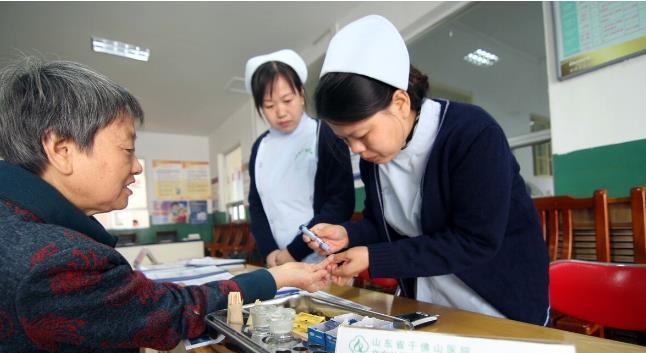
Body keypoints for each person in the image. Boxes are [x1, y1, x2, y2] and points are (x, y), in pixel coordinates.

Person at [0, 58, 330, 352]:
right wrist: (276, 273)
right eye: (127, 149)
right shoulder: (56, 262)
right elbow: (167, 312)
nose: (137, 166)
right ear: (62, 150)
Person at [303, 15, 549, 325]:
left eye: (362, 135)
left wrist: (374, 258)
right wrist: (347, 234)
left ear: (401, 103)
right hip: (427, 304)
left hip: (498, 304)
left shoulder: (472, 134)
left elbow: (476, 240)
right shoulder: (375, 157)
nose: (356, 149)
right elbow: (385, 225)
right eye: (345, 140)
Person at [245, 49, 354, 267]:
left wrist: (293, 252)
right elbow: (256, 205)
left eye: (287, 99)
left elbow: (340, 202)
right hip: (277, 262)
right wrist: (270, 253)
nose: (281, 112)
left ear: (301, 94)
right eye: (269, 105)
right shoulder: (260, 147)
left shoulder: (325, 133)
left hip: (322, 258)